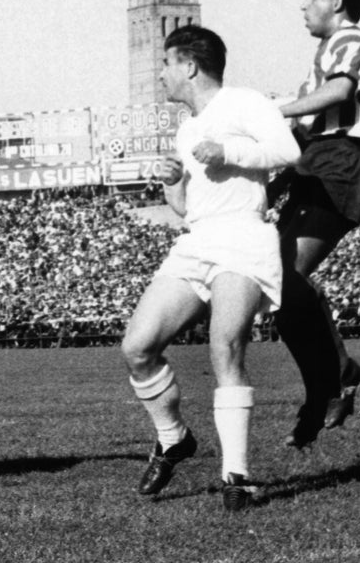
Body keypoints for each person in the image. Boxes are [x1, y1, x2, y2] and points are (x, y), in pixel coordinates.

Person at [120, 25, 299, 512]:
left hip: (243, 235)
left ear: (190, 66)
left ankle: (236, 477)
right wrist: (174, 184)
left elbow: (289, 151)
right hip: (199, 240)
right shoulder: (187, 128)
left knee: (225, 346)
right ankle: (173, 438)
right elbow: (185, 209)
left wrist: (229, 151)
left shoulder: (244, 102)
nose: (160, 74)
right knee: (137, 347)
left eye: (166, 64)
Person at [271, 0, 360, 448]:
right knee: (279, 288)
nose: (304, 4)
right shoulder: (324, 55)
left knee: (284, 281)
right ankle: (336, 377)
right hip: (312, 164)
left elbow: (341, 93)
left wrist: (272, 109)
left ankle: (332, 384)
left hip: (338, 165)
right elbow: (305, 128)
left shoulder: (355, 44)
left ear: (337, 3)